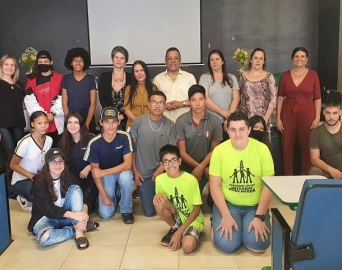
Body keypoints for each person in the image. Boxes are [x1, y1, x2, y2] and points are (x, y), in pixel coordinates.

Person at [209, 111, 274, 254]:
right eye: (233, 129)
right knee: (227, 246)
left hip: (254, 206)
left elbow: (268, 187)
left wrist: (259, 216)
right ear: (227, 130)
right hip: (229, 204)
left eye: (242, 129)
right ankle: (217, 220)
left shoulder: (262, 149)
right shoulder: (219, 151)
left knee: (258, 246)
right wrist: (225, 215)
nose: (237, 134)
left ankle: (245, 230)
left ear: (249, 130)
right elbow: (214, 186)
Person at [28, 148, 95, 250]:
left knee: (76, 189)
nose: (57, 165)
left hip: (66, 216)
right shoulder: (39, 182)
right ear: (47, 164)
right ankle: (73, 229)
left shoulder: (68, 176)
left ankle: (79, 232)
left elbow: (83, 199)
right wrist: (75, 216)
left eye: (60, 161)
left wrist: (83, 217)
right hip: (45, 218)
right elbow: (49, 210)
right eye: (53, 162)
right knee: (45, 238)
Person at [83, 107, 134, 224]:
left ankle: (126, 209)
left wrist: (103, 172)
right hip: (106, 177)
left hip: (121, 172)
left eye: (113, 121)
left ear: (119, 122)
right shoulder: (94, 143)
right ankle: (116, 195)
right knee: (105, 214)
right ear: (101, 123)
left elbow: (128, 165)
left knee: (126, 177)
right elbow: (96, 173)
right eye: (106, 122)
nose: (110, 126)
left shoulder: (124, 136)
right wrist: (103, 195)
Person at [130, 91, 177, 216]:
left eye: (161, 103)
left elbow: (173, 153)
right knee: (149, 212)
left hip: (165, 172)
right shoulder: (138, 122)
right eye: (154, 102)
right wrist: (135, 170)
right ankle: (143, 190)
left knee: (173, 206)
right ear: (148, 104)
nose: (157, 106)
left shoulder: (170, 125)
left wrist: (160, 169)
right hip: (144, 174)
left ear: (165, 105)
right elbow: (131, 149)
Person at [276, 47, 321, 175]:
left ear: (307, 59)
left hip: (307, 113)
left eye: (302, 56)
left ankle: (305, 176)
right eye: (296, 56)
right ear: (292, 59)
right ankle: (288, 176)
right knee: (287, 146)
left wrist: (317, 117)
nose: (299, 59)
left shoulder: (313, 75)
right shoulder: (285, 75)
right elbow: (280, 97)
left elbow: (317, 98)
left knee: (307, 145)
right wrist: (278, 118)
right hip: (287, 113)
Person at [154, 144, 204, 254]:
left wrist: (179, 233)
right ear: (161, 164)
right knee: (159, 202)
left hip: (192, 218)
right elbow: (161, 202)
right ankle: (175, 227)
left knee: (187, 248)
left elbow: (196, 211)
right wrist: (156, 197)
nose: (170, 164)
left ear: (180, 161)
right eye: (166, 161)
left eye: (173, 160)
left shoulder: (191, 180)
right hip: (177, 215)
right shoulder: (160, 179)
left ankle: (183, 232)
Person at [175, 84, 222, 193]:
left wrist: (202, 167)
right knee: (189, 199)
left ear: (205, 100)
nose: (197, 104)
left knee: (217, 193)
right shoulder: (181, 121)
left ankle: (212, 192)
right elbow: (182, 152)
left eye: (200, 99)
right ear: (189, 101)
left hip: (208, 165)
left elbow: (214, 151)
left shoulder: (215, 121)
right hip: (187, 166)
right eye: (193, 100)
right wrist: (199, 167)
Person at [10, 111, 52, 211]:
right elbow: (12, 165)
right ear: (32, 124)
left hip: (38, 177)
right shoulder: (25, 142)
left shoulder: (49, 140)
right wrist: (31, 176)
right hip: (21, 181)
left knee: (53, 192)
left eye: (46, 122)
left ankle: (32, 198)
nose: (44, 126)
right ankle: (23, 197)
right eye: (39, 123)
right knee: (42, 196)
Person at [59, 111, 99, 214]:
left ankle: (82, 219)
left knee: (85, 199)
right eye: (69, 122)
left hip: (90, 180)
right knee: (74, 202)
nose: (72, 126)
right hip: (71, 181)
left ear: (81, 124)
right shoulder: (62, 142)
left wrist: (88, 167)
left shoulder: (91, 139)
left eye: (76, 122)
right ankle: (82, 221)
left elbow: (101, 158)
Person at [24, 50, 64, 146]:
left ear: (51, 62)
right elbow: (30, 101)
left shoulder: (60, 78)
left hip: (57, 122)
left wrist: (53, 113)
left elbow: (63, 98)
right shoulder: (31, 80)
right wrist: (43, 117)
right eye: (40, 62)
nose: (43, 64)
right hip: (40, 123)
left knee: (56, 152)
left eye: (45, 62)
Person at [199, 49, 240, 140]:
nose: (214, 62)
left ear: (222, 61)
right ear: (209, 63)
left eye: (217, 59)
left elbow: (236, 99)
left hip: (229, 121)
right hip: (210, 121)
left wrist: (229, 118)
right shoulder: (205, 78)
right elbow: (205, 98)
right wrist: (221, 111)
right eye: (212, 60)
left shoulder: (232, 78)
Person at [0, 54, 26, 198]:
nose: (9, 67)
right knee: (10, 155)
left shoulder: (19, 84)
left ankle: (19, 185)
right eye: (6, 64)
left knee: (19, 155)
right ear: (1, 66)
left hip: (18, 123)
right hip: (2, 125)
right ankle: (10, 190)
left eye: (12, 65)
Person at [153, 47, 196, 122]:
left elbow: (195, 100)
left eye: (176, 58)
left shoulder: (190, 78)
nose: (173, 61)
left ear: (180, 61)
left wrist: (182, 104)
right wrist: (164, 105)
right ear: (165, 62)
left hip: (185, 122)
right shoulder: (158, 79)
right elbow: (152, 101)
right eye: (169, 58)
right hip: (162, 121)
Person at [61, 48, 97, 134]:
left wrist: (87, 124)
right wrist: (69, 122)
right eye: (75, 61)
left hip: (87, 118)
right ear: (71, 62)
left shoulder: (91, 79)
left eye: (81, 61)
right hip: (71, 119)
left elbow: (93, 103)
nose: (78, 63)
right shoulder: (66, 79)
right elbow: (64, 103)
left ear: (84, 63)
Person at [238, 48, 277, 125]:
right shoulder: (242, 76)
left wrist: (265, 119)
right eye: (255, 58)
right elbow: (237, 98)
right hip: (245, 121)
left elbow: (273, 99)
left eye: (261, 58)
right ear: (251, 60)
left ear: (264, 61)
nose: (258, 61)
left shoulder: (269, 77)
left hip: (263, 120)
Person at [98, 46, 132, 130]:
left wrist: (122, 116)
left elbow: (132, 100)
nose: (119, 60)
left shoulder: (131, 78)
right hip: (107, 118)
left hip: (126, 118)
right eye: (116, 57)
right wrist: (112, 116)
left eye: (122, 58)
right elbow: (102, 99)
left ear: (126, 61)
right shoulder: (104, 77)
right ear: (112, 59)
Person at [309, 100, 342, 179]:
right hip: (326, 170)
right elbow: (314, 159)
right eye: (328, 113)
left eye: (335, 113)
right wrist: (331, 170)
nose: (331, 117)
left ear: (340, 112)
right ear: (323, 112)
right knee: (314, 171)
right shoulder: (316, 132)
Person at [123, 60, 158, 129]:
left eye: (142, 70)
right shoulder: (129, 88)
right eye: (136, 71)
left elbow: (156, 108)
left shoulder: (154, 88)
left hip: (150, 125)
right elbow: (126, 109)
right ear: (133, 74)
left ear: (145, 71)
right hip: (133, 124)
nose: (139, 73)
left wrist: (147, 123)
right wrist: (137, 122)